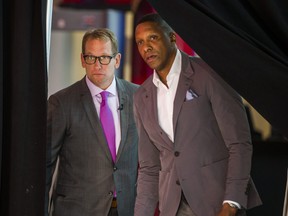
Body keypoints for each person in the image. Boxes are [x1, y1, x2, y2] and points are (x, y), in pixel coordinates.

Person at [133, 13, 262, 216]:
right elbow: (149, 167)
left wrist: (231, 202)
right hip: (172, 206)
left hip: (216, 202)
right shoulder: (141, 96)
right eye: (140, 42)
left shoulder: (210, 74)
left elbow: (239, 143)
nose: (146, 47)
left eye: (153, 38)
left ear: (172, 38)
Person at [46, 28, 139, 216]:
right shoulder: (61, 103)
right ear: (82, 60)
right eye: (91, 57)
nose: (98, 65)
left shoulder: (139, 96)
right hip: (77, 210)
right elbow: (45, 164)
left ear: (117, 60)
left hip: (127, 209)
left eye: (104, 57)